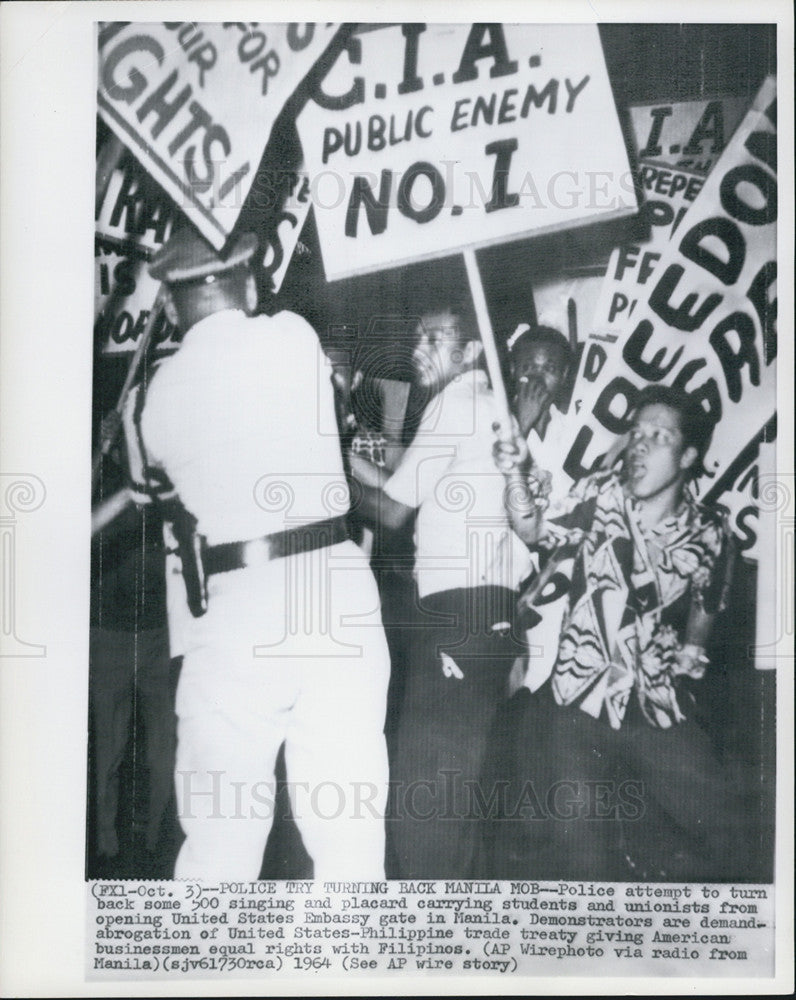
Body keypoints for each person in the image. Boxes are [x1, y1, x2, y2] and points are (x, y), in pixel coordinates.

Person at [127, 221, 391, 881]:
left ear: (172, 301)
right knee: (351, 835)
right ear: (247, 278)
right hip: (335, 588)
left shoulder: (155, 398)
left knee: (221, 842)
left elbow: (146, 489)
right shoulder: (293, 338)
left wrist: (122, 426)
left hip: (239, 605)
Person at [490, 384, 744, 880]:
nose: (641, 444)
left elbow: (709, 595)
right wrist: (513, 472)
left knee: (727, 833)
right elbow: (533, 530)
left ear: (689, 455)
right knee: (580, 853)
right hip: (578, 705)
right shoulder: (597, 497)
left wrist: (694, 646)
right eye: (636, 432)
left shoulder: (710, 529)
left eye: (660, 436)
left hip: (657, 707)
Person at [349, 294, 530, 878]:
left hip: (460, 612)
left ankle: (434, 935)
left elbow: (392, 514)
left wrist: (323, 467)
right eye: (419, 336)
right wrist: (349, 459)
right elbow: (403, 489)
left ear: (471, 348)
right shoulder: (477, 402)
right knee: (456, 788)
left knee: (426, 796)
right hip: (481, 610)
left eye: (436, 338)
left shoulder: (456, 405)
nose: (419, 348)